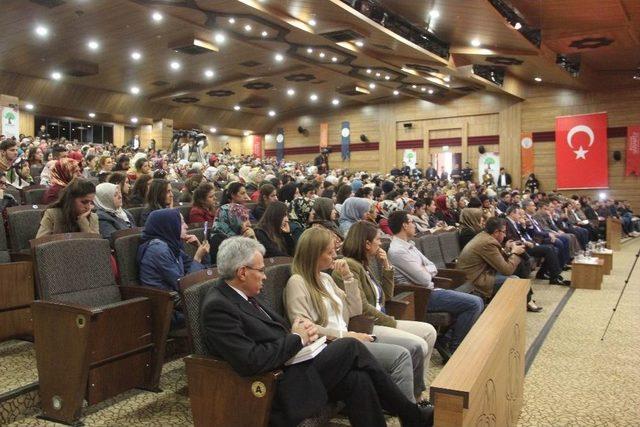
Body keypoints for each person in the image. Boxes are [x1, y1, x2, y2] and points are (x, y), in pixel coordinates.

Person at [201, 236, 433, 427]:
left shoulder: (244, 294)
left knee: (357, 379)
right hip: (274, 387)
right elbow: (250, 360)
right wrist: (296, 338)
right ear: (242, 272)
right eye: (261, 271)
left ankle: (410, 416)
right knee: (350, 346)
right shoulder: (219, 306)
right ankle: (411, 415)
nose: (264, 276)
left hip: (295, 368)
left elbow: (276, 332)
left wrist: (302, 333)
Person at [285, 228, 426, 403]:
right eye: (329, 252)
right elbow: (305, 328)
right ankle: (410, 411)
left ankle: (418, 402)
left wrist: (348, 277)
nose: (335, 255)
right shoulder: (297, 282)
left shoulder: (326, 279)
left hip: (348, 338)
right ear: (313, 254)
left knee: (415, 348)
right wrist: (347, 336)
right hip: (331, 346)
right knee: (401, 356)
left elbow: (355, 309)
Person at [335, 221, 438, 396]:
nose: (380, 243)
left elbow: (386, 297)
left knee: (429, 332)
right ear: (366, 244)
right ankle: (408, 396)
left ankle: (417, 390)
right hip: (366, 324)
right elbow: (363, 308)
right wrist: (390, 321)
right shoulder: (350, 265)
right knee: (419, 343)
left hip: (379, 318)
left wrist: (387, 267)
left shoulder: (364, 264)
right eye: (377, 239)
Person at [387, 210, 484, 354]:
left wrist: (426, 269)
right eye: (412, 222)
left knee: (477, 301)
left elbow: (432, 266)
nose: (414, 225)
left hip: (429, 289)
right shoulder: (397, 251)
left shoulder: (409, 245)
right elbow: (424, 279)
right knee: (474, 303)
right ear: (404, 226)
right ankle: (454, 346)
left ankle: (446, 340)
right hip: (420, 296)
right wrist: (427, 271)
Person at [138, 209, 209, 328]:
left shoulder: (171, 245)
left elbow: (204, 270)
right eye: (181, 223)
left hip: (182, 301)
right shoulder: (158, 250)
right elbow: (183, 285)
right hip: (168, 308)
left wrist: (199, 247)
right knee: (219, 308)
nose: (186, 226)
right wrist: (197, 257)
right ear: (169, 225)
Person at [456, 218, 529, 301]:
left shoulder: (484, 236)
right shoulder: (488, 243)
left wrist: (507, 250)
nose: (505, 235)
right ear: (496, 232)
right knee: (514, 280)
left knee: (517, 269)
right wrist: (515, 253)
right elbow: (507, 270)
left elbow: (496, 260)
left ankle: (526, 300)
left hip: (480, 274)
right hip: (475, 280)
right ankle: (508, 309)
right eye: (504, 232)